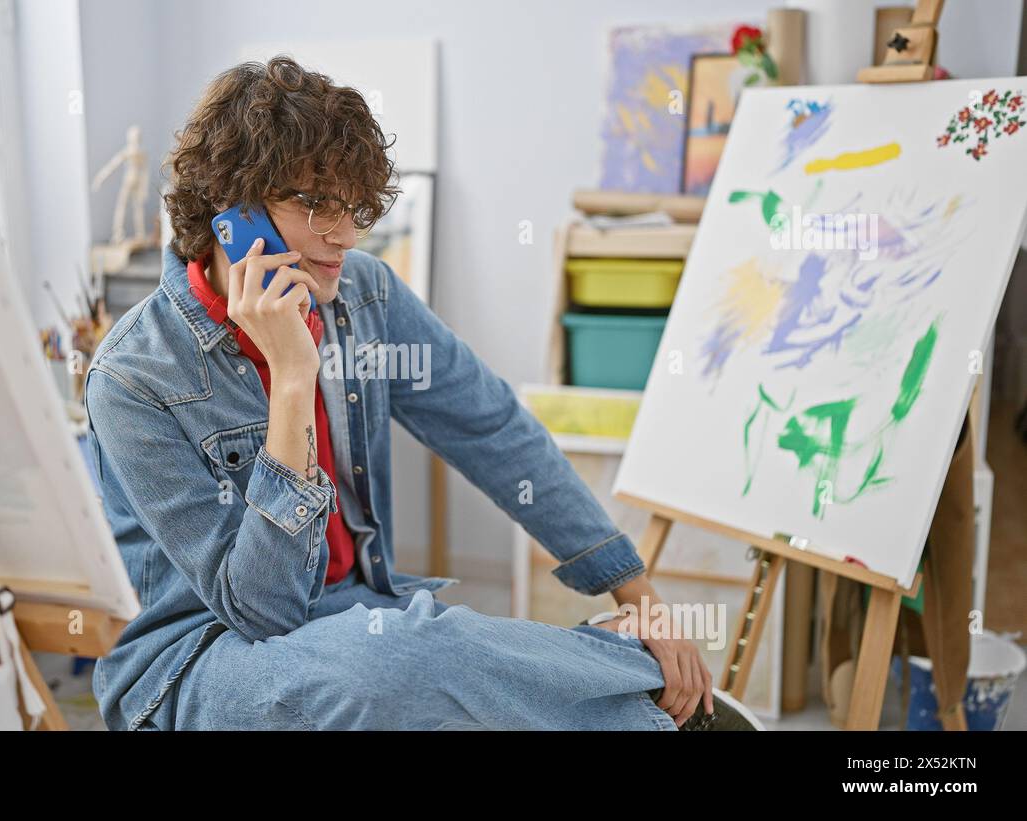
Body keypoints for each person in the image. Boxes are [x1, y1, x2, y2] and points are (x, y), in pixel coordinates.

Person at [84, 55, 754, 731]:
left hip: (353, 621)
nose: (342, 236)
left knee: (424, 648)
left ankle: (650, 707)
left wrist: (639, 594)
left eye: (352, 208)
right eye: (314, 204)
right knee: (408, 655)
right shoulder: (133, 377)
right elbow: (262, 610)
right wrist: (292, 378)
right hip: (202, 661)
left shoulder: (364, 295)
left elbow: (492, 430)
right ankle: (635, 680)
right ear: (233, 212)